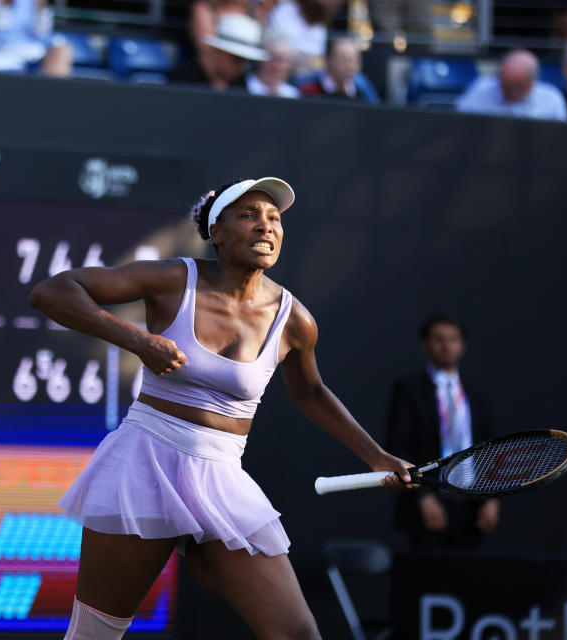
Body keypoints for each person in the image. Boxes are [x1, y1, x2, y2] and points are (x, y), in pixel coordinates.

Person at [30, 177, 413, 639]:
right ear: (217, 232)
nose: (265, 226)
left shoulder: (296, 319)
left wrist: (377, 457)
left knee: (298, 634)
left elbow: (310, 393)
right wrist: (139, 341)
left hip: (221, 478)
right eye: (249, 215)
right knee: (95, 634)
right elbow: (53, 291)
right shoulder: (173, 278)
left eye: (274, 219)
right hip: (144, 460)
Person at [386, 313, 500, 552]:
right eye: (439, 339)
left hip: (472, 506)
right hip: (428, 501)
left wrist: (492, 498)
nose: (446, 346)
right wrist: (423, 496)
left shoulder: (475, 396)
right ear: (425, 344)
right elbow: (398, 447)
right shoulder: (409, 391)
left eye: (453, 339)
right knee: (428, 578)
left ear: (462, 345)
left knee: (468, 580)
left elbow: (491, 450)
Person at [456, 49, 567, 121]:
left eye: (514, 88)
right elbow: (460, 127)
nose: (507, 91)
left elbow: (558, 140)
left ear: (531, 83)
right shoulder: (480, 89)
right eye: (504, 85)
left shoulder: (551, 99)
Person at [169, 14, 269, 91]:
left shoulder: (239, 83)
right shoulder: (183, 79)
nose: (242, 66)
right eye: (237, 58)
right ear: (219, 51)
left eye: (245, 60)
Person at [0, 0, 72, 77]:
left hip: (32, 54)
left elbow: (41, 32)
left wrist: (42, 9)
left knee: (61, 51)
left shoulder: (29, 2)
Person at [265, 0, 344, 77]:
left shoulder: (320, 21)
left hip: (311, 77)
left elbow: (318, 59)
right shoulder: (284, 10)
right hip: (283, 73)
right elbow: (279, 50)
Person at [298, 37, 378, 103]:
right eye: (344, 60)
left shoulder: (362, 92)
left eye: (355, 60)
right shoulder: (311, 91)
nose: (351, 66)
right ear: (328, 61)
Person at [246, 32, 300, 98]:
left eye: (286, 61)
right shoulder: (244, 87)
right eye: (275, 60)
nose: (280, 67)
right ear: (261, 60)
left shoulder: (293, 94)